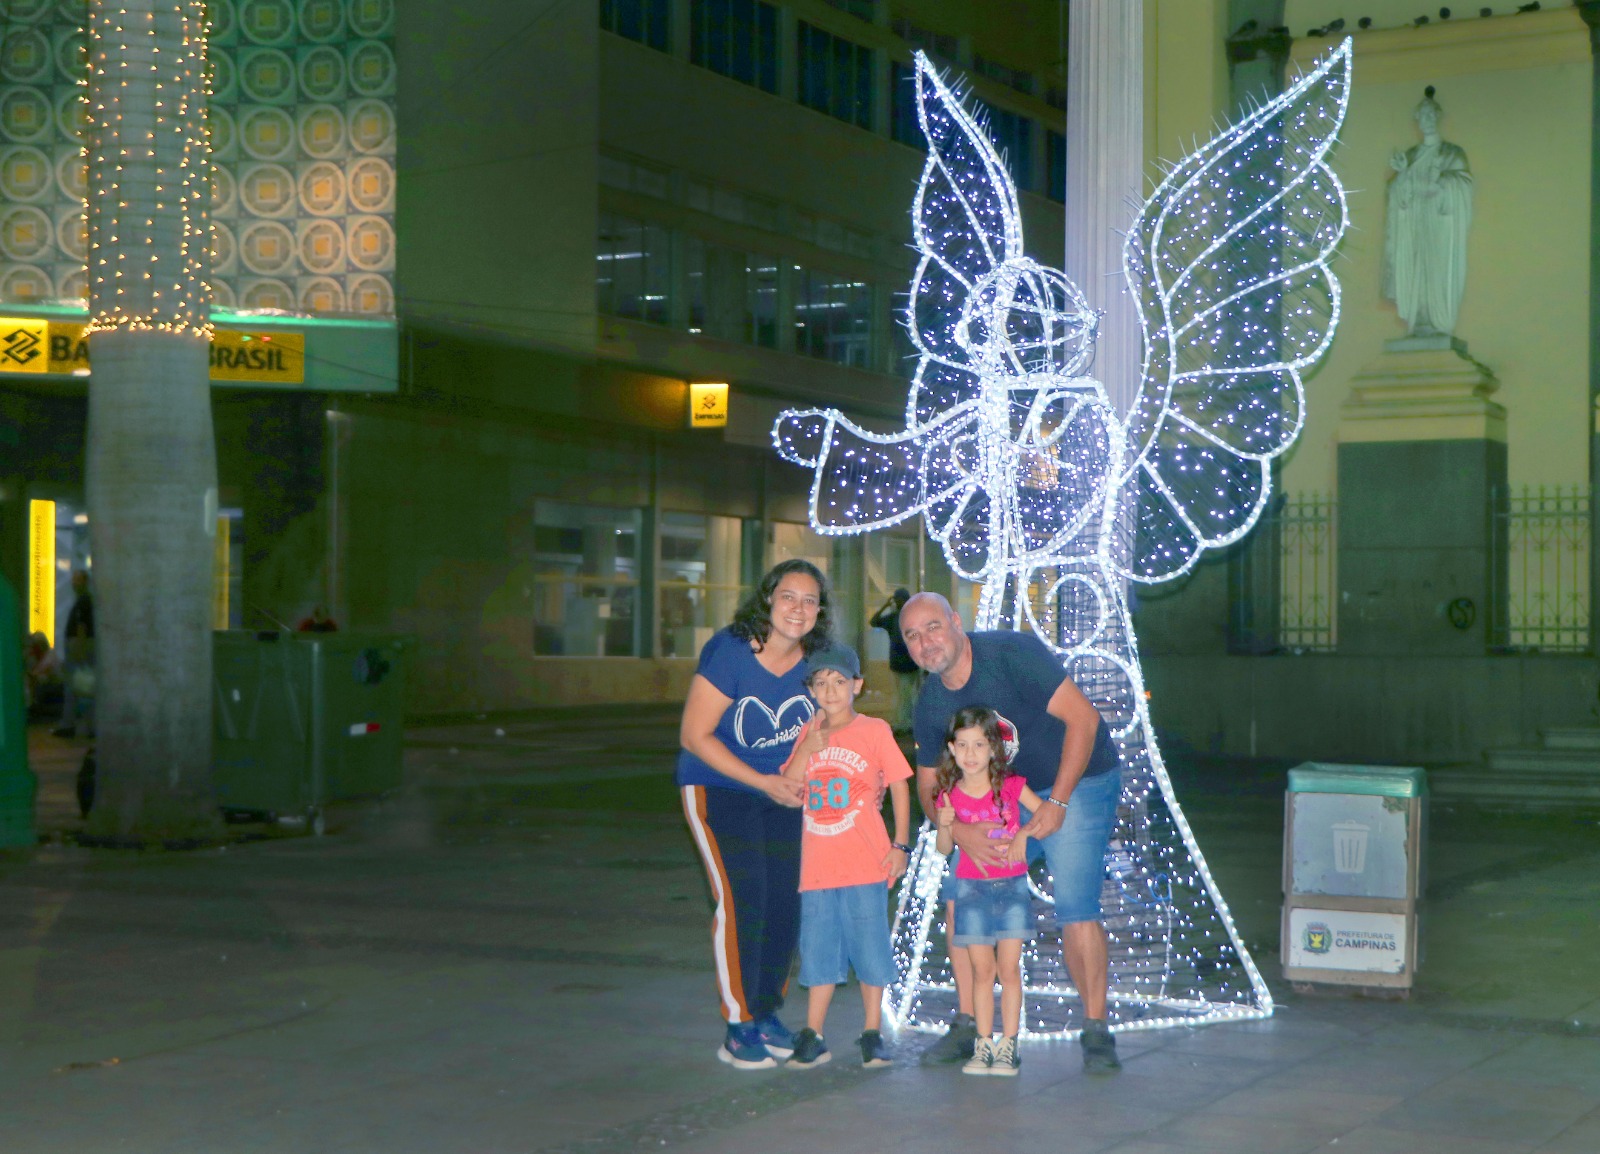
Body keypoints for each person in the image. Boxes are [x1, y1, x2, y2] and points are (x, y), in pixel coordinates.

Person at [901, 592, 1123, 1073]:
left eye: (933, 627)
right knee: (960, 893)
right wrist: (960, 830)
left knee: (1075, 905)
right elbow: (927, 786)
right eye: (912, 635)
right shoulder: (932, 701)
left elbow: (1084, 721)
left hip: (1078, 778)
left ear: (957, 623)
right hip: (1002, 798)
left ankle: (1096, 1029)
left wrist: (1058, 801)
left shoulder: (1012, 655)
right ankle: (968, 1024)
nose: (925, 642)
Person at [678, 558, 833, 1069]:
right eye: (789, 596)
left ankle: (766, 1011)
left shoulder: (816, 661)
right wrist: (763, 781)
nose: (798, 608)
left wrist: (801, 781)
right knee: (742, 900)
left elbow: (819, 729)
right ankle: (738, 1025)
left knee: (785, 903)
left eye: (810, 600)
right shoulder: (731, 651)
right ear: (768, 599)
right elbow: (694, 736)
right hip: (718, 785)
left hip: (781, 792)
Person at [779, 641, 912, 1069]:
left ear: (857, 685)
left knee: (870, 947)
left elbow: (899, 785)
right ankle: (813, 1033)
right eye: (821, 682)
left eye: (839, 681)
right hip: (818, 866)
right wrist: (807, 748)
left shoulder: (874, 731)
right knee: (817, 951)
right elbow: (792, 787)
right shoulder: (809, 733)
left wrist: (900, 844)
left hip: (864, 862)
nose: (831, 690)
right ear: (812, 690)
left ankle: (872, 1031)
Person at [934, 706, 1041, 1077]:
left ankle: (1009, 1043)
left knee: (1008, 969)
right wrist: (945, 825)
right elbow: (944, 849)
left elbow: (1043, 814)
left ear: (994, 748)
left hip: (1011, 886)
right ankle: (983, 1042)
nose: (971, 753)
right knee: (983, 971)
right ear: (951, 748)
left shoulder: (1011, 787)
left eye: (979, 744)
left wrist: (1025, 833)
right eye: (962, 745)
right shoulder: (949, 795)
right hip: (970, 889)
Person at [1382, 86, 1472, 338]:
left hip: (1439, 226)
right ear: (1417, 120)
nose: (1428, 121)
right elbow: (1398, 197)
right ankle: (1419, 318)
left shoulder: (1452, 154)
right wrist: (1402, 176)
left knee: (1435, 272)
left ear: (1438, 118)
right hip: (1413, 225)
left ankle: (1436, 320)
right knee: (1415, 270)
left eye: (1432, 115)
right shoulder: (1410, 156)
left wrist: (1442, 182)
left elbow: (1463, 185)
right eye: (1423, 116)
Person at [869, 587, 919, 732]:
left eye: (898, 599)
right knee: (906, 695)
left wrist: (886, 605)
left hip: (904, 662)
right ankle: (906, 722)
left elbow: (874, 621)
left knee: (904, 695)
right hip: (906, 662)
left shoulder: (895, 618)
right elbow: (873, 622)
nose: (896, 602)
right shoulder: (905, 617)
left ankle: (904, 723)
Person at [53, 570, 94, 739]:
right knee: (83, 687)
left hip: (78, 648)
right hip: (81, 647)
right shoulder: (85, 601)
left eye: (77, 580)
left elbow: (81, 627)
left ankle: (69, 724)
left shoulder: (83, 602)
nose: (73, 583)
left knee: (74, 687)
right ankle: (85, 726)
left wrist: (79, 651)